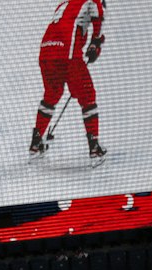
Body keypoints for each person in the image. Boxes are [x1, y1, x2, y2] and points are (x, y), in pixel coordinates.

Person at [30, 0, 106, 161]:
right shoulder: (92, 1)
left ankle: (36, 143)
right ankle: (94, 147)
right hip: (67, 55)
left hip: (46, 53)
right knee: (88, 96)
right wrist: (95, 42)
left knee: (52, 93)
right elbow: (98, 17)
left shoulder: (65, 4)